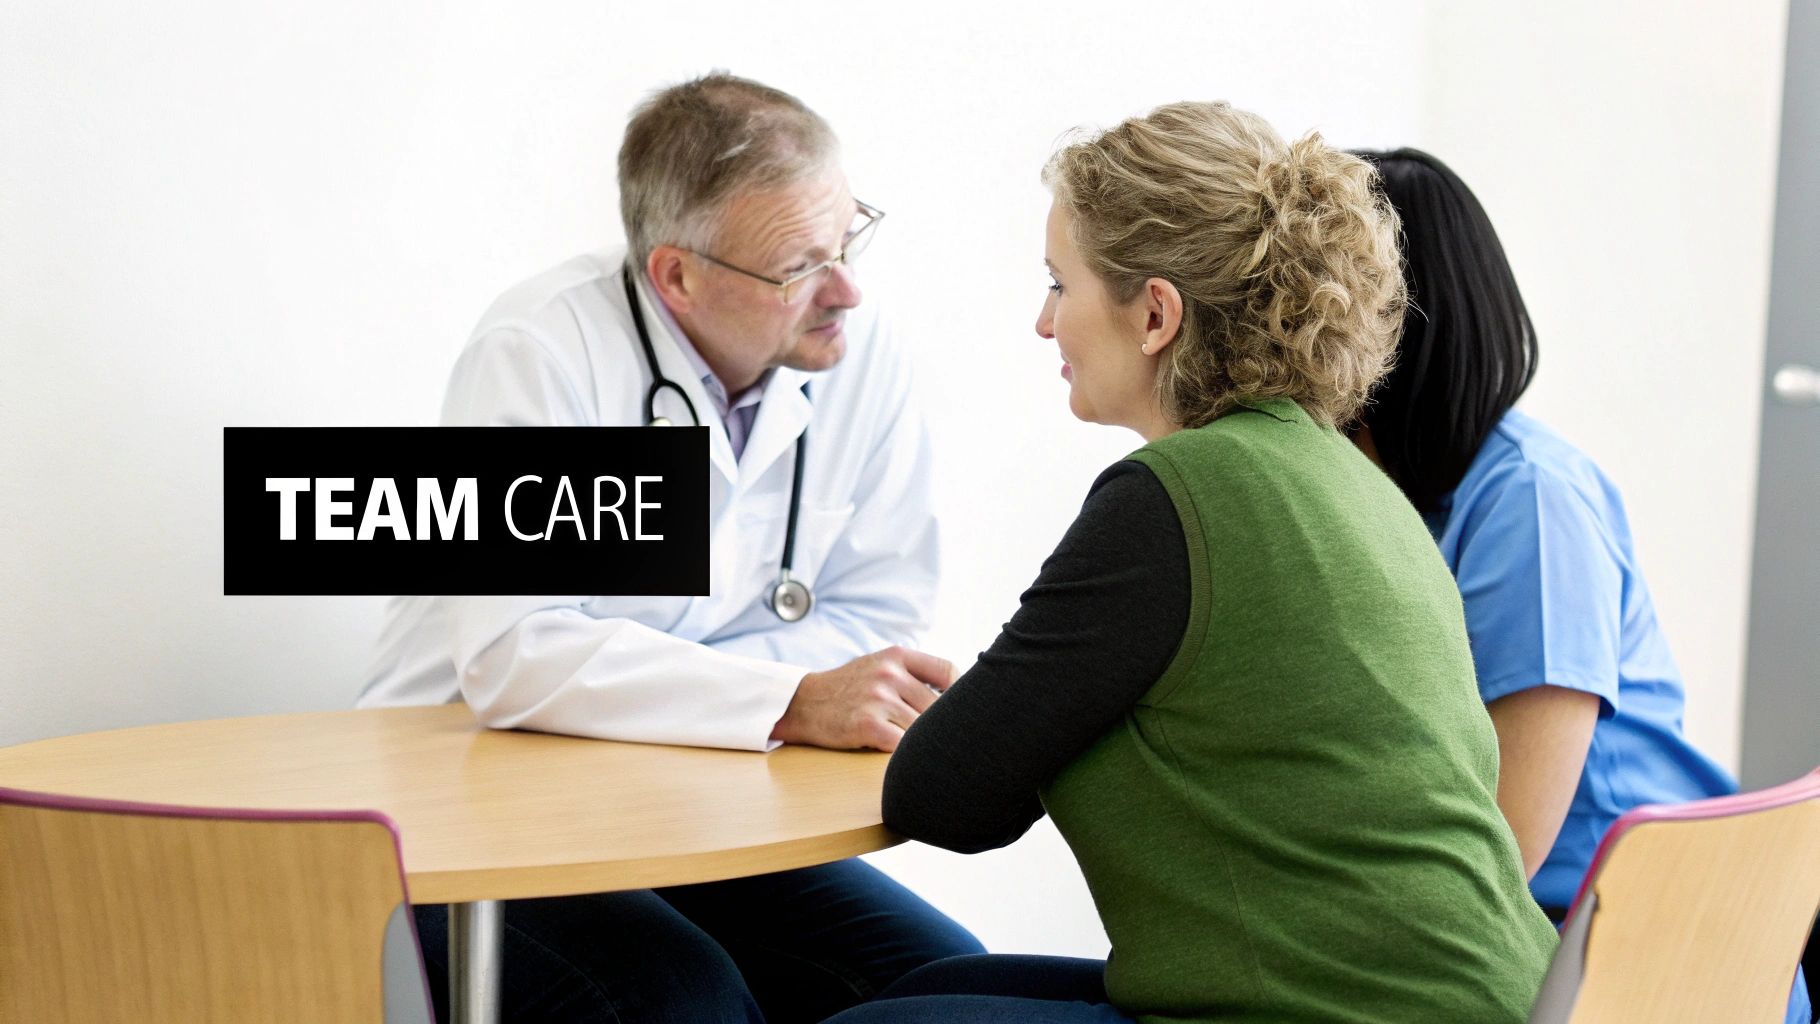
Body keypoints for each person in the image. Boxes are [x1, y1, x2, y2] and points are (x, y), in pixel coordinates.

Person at [824, 101, 1556, 1024]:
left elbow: (944, 798)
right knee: (923, 990)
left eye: (1059, 284)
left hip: (1340, 1013)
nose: (1044, 323)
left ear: (1156, 313)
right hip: (1494, 997)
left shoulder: (1174, 497)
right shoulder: (1345, 473)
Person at [360, 73, 981, 1023]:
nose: (846, 290)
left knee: (947, 982)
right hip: (471, 821)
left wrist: (704, 697)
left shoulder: (857, 352)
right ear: (676, 276)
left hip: (688, 796)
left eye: (847, 239)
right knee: (687, 1003)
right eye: (799, 267)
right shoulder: (541, 352)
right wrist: (783, 697)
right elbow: (514, 653)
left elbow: (878, 615)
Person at [1350, 146, 1811, 1024]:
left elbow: (1502, 851)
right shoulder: (1400, 497)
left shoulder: (1530, 499)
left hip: (1635, 944)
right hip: (1573, 931)